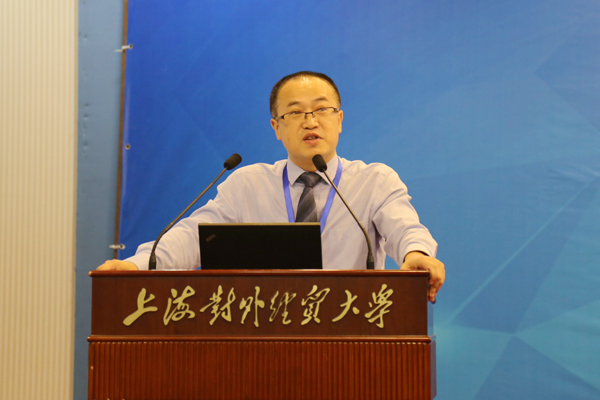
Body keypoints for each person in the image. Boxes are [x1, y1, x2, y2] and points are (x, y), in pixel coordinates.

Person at [98, 71, 445, 302]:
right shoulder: (248, 184)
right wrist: (137, 265)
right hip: (264, 330)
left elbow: (405, 227)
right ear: (276, 128)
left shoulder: (374, 181)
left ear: (339, 120)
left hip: (350, 327)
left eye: (321, 109)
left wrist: (417, 254)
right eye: (295, 112)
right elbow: (195, 238)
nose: (310, 121)